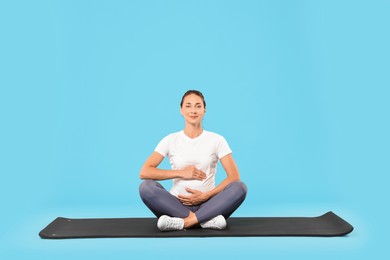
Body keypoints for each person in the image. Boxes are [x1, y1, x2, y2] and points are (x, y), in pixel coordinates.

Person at [139, 90, 247, 231]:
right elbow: (145, 172)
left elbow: (234, 176)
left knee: (240, 187)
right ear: (181, 110)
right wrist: (181, 173)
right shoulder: (170, 140)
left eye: (198, 106)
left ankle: (185, 223)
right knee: (146, 187)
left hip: (209, 204)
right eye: (188, 106)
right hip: (175, 205)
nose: (193, 111)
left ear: (204, 110)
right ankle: (204, 220)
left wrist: (205, 196)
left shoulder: (217, 140)